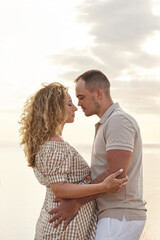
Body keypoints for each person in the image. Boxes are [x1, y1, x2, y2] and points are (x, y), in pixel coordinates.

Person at [19, 82, 127, 240]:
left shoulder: (48, 143)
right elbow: (60, 189)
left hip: (61, 222)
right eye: (69, 104)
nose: (75, 108)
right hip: (63, 227)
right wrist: (102, 186)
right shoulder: (54, 145)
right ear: (55, 109)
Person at [49, 70, 147, 240]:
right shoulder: (108, 123)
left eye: (81, 97)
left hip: (120, 216)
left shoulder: (119, 121)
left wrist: (76, 203)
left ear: (98, 93)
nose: (78, 104)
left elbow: (116, 174)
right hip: (113, 216)